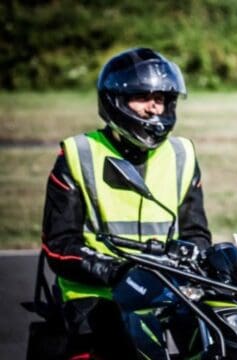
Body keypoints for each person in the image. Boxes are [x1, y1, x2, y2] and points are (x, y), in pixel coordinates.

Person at [40, 48, 210, 359]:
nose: (153, 108)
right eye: (142, 97)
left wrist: (194, 258)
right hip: (95, 294)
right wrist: (118, 272)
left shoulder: (182, 155)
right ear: (115, 101)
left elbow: (196, 234)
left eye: (160, 98)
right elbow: (58, 245)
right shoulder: (80, 154)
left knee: (216, 344)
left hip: (167, 292)